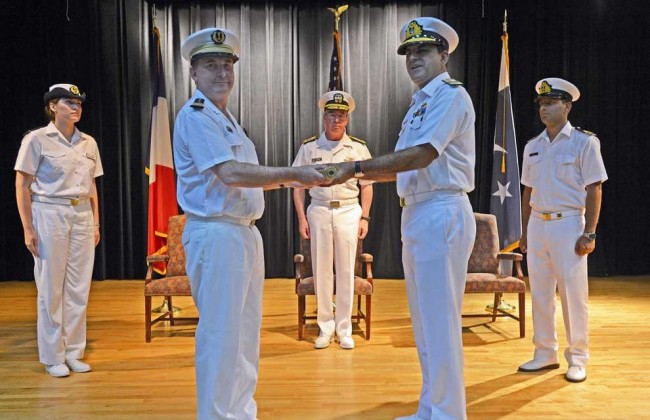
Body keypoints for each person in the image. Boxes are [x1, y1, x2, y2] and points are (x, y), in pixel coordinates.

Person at [174, 28, 330, 419]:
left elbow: (254, 175)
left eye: (227, 65)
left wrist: (297, 177)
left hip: (243, 234)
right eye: (211, 65)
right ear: (193, 73)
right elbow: (229, 173)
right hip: (216, 233)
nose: (222, 73)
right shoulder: (196, 116)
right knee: (220, 336)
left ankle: (241, 412)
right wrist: (297, 174)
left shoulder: (227, 120)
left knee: (244, 336)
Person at [330, 17, 476, 420]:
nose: (413, 57)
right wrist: (356, 171)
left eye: (423, 50)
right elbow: (399, 168)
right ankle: (431, 407)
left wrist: (354, 169)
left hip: (441, 210)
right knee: (426, 323)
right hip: (417, 213)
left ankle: (449, 413)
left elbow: (422, 155)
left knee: (441, 322)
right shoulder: (419, 105)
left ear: (444, 54)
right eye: (409, 51)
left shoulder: (449, 96)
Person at [518, 78, 607, 383]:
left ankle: (578, 357)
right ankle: (545, 353)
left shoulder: (585, 142)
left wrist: (590, 233)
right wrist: (525, 231)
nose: (544, 108)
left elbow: (594, 188)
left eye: (551, 103)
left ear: (567, 106)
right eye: (542, 104)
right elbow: (527, 192)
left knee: (573, 296)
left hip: (569, 224)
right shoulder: (532, 146)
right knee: (541, 294)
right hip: (538, 224)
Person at [14, 83, 103, 378]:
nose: (76, 107)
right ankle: (53, 356)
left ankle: (74, 351)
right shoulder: (37, 139)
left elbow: (91, 187)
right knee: (51, 287)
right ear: (53, 106)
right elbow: (22, 185)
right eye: (69, 102)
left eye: (79, 103)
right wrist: (28, 228)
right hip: (49, 211)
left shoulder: (87, 142)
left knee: (79, 287)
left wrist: (96, 222)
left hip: (81, 214)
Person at [292, 90, 374, 350]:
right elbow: (297, 185)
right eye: (331, 115)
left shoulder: (358, 147)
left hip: (350, 210)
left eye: (340, 115)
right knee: (322, 271)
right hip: (318, 209)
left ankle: (345, 328)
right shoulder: (309, 147)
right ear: (323, 117)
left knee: (347, 270)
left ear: (347, 119)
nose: (336, 120)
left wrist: (365, 217)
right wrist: (301, 217)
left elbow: (368, 185)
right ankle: (325, 327)